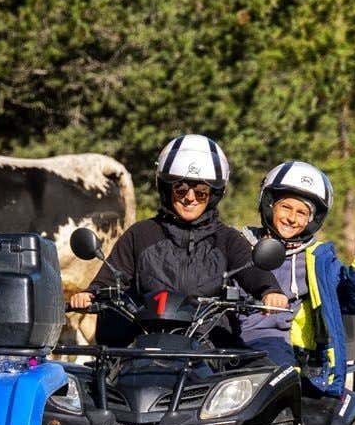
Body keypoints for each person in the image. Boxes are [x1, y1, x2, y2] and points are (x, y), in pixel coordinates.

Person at [68, 135, 286, 331]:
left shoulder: (227, 239)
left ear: (213, 195)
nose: (190, 198)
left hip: (209, 342)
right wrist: (90, 294)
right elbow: (112, 276)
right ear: (166, 189)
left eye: (201, 192)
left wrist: (270, 291)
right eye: (180, 189)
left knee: (268, 363)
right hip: (148, 337)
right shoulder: (141, 234)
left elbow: (252, 269)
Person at [239, 161, 355, 392]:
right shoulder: (239, 244)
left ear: (312, 219)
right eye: (286, 207)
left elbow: (353, 303)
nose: (292, 218)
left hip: (288, 351)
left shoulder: (318, 258)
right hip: (233, 340)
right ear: (269, 205)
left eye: (302, 213)